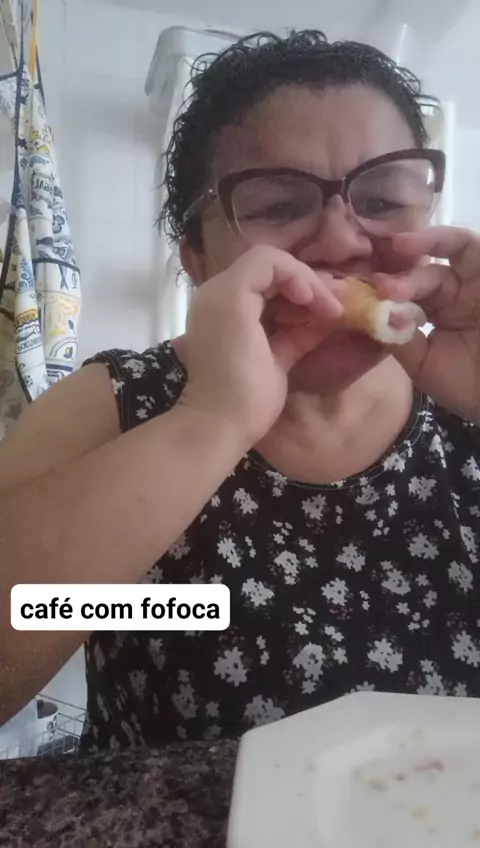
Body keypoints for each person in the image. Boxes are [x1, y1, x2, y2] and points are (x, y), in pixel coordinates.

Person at [1, 30, 480, 751]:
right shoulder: (117, 406)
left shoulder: (463, 404)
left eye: (383, 197)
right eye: (278, 206)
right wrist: (210, 422)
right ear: (196, 259)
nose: (343, 242)